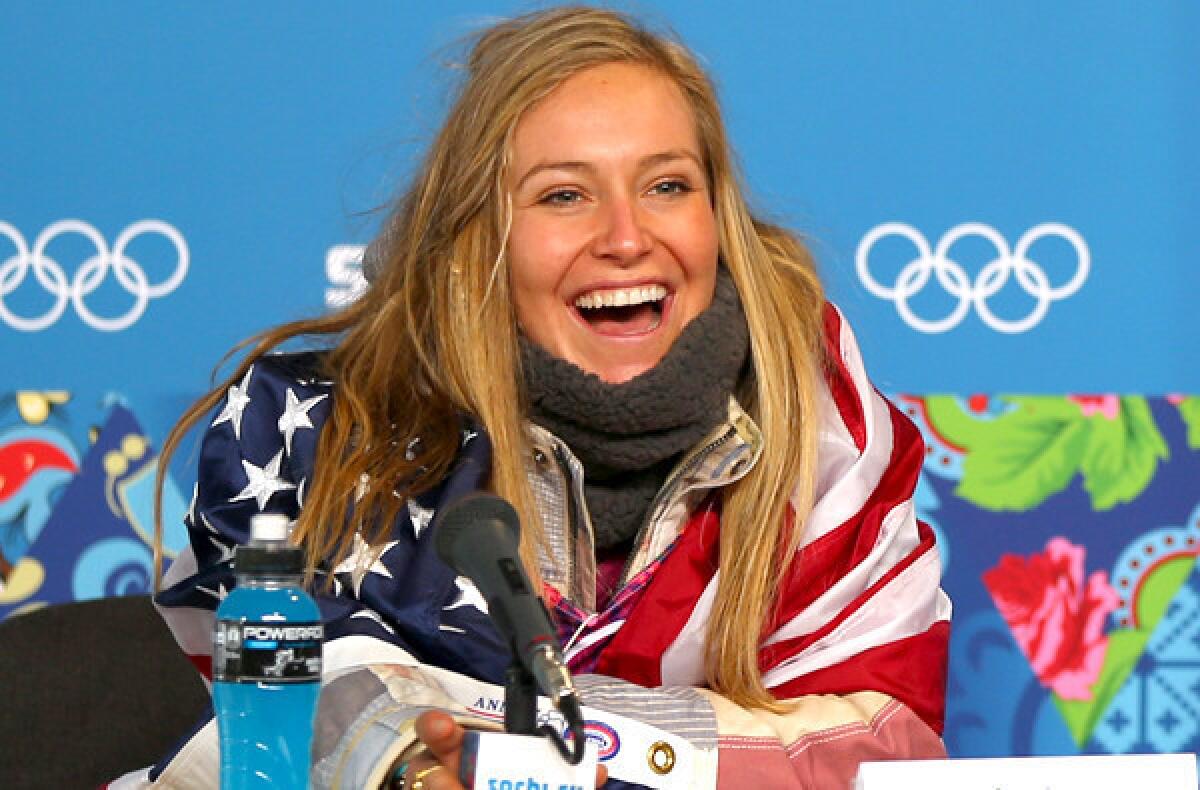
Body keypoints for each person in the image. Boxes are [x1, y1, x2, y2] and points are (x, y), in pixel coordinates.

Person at [117, 6, 950, 789]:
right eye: (564, 195)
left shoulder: (817, 422)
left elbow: (883, 750)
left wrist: (545, 753)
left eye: (667, 186)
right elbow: (285, 733)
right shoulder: (319, 437)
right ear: (478, 235)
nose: (627, 238)